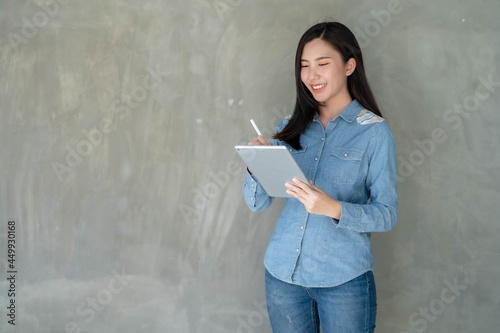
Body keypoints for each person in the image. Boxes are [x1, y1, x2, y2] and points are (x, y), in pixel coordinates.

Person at [242, 21, 398, 333]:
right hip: (283, 276)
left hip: (343, 281)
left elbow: (387, 214)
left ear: (349, 65)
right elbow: (257, 204)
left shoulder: (374, 132)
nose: (312, 75)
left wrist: (334, 208)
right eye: (304, 65)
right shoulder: (291, 126)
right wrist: (255, 165)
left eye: (323, 64)